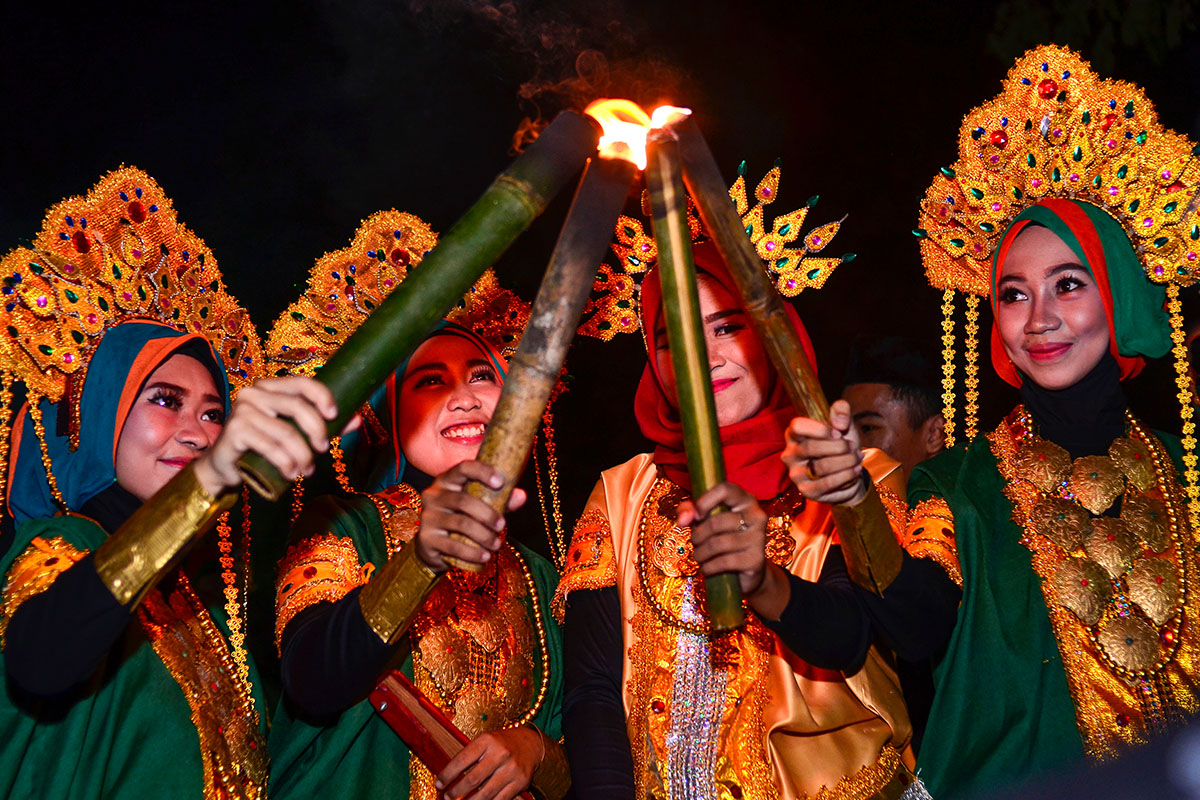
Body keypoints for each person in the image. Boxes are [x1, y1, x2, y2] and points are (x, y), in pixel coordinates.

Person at [782, 45, 1200, 798]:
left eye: (1067, 285)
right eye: (1013, 294)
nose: (1038, 318)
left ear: (1120, 297)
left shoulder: (1185, 470)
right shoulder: (961, 484)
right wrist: (852, 503)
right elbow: (916, 622)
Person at [556, 169, 941, 799]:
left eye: (727, 327)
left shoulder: (857, 476)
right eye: (672, 338)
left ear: (771, 332)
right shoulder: (622, 495)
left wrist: (763, 580)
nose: (703, 357)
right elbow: (594, 689)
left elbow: (850, 637)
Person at [0, 168, 339, 799]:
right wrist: (210, 477)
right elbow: (40, 659)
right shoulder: (62, 545)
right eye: (165, 400)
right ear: (96, 417)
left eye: (215, 413)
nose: (198, 432)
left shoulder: (203, 606)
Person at [265, 210, 570, 800]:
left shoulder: (539, 576)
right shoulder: (343, 526)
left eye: (481, 374)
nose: (462, 397)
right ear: (390, 419)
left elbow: (584, 743)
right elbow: (311, 682)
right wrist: (421, 559)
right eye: (430, 381)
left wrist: (534, 750)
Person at [842, 335, 945, 483]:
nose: (847, 443)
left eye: (867, 428)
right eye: (841, 431)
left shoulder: (960, 506)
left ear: (933, 434)